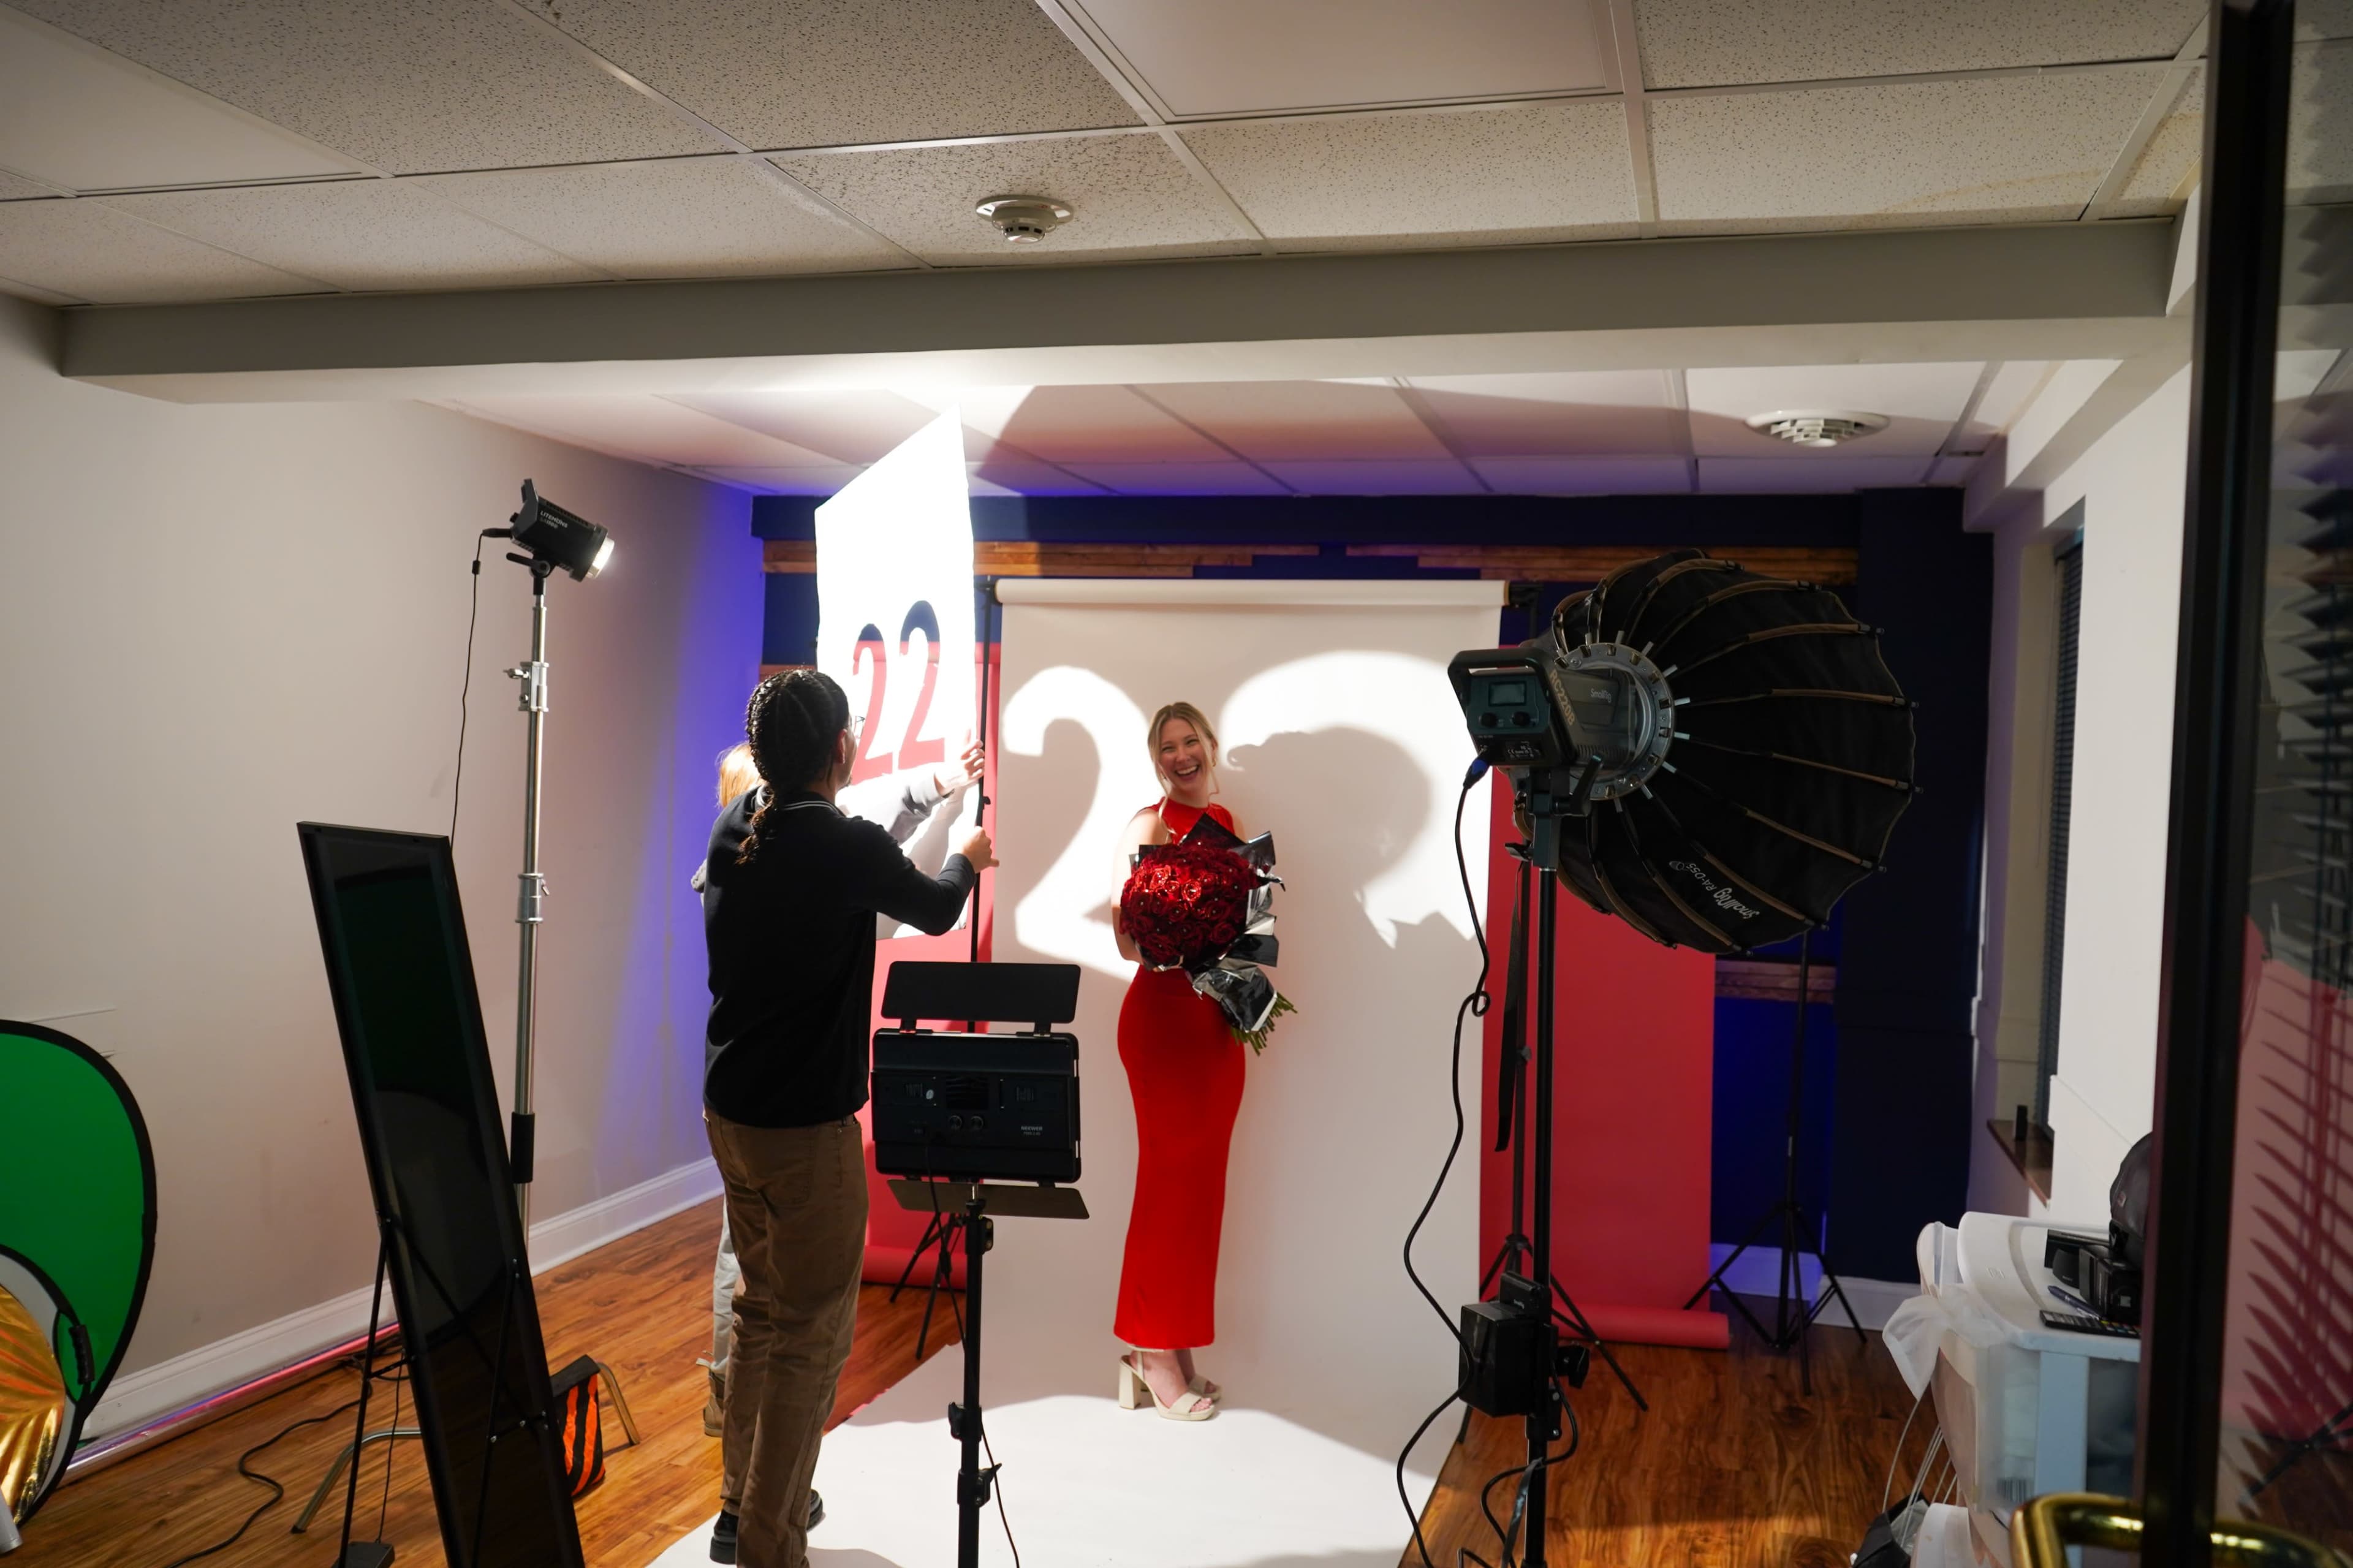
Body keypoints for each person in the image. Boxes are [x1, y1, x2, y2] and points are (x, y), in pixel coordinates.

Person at [700, 670, 996, 1568]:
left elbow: (849, 860)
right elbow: (938, 903)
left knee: (761, 1314)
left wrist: (930, 788)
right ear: (841, 749)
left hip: (732, 1112)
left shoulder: (738, 821)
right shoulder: (838, 841)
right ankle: (769, 1541)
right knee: (809, 1339)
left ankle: (741, 1506)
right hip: (804, 1130)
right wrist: (970, 854)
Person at [1108, 700, 1251, 1421]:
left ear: (1210, 744)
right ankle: (1148, 1349)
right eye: (1168, 746)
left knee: (1200, 1191)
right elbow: (1124, 936)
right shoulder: (1150, 823)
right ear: (1156, 758)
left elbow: (1251, 928)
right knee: (1168, 1185)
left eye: (1190, 740)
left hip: (1216, 1026)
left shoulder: (1228, 827)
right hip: (1164, 1023)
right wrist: (1171, 932)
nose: (1181, 754)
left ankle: (1175, 1339)